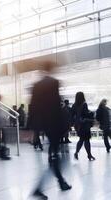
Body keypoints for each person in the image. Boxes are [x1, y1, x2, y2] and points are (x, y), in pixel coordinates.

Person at [30, 61, 71, 199]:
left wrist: (34, 130)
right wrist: (64, 126)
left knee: (55, 156)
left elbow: (33, 107)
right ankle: (41, 187)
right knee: (56, 158)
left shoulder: (36, 85)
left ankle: (61, 182)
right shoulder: (54, 82)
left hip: (45, 125)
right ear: (51, 69)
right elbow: (56, 106)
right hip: (54, 124)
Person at [72, 92, 95, 161]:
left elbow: (72, 115)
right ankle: (89, 155)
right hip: (85, 125)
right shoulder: (84, 104)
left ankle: (77, 152)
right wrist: (91, 113)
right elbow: (85, 114)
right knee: (86, 140)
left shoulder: (74, 105)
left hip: (78, 126)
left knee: (81, 139)